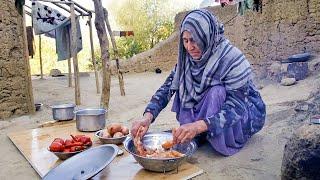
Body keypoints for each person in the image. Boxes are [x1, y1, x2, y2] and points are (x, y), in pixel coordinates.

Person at [131, 9, 266, 156]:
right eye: (185, 40)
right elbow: (167, 89)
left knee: (216, 92)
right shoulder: (186, 61)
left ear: (206, 36)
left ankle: (216, 137)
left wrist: (197, 126)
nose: (189, 47)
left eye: (194, 40)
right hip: (209, 119)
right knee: (184, 85)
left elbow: (237, 108)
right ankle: (202, 132)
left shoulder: (231, 58)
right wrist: (147, 118)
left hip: (239, 119)